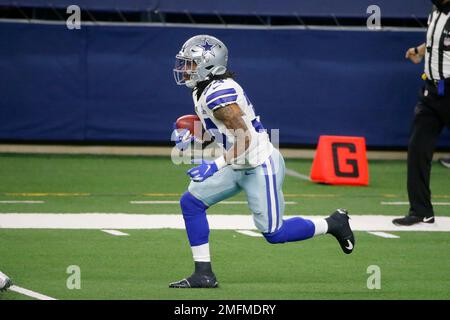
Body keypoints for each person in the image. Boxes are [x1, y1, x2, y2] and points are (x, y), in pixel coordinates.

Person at [169, 35, 355, 288]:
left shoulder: (218, 94)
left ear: (209, 65)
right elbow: (222, 134)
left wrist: (214, 165)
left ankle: (333, 223)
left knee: (275, 234)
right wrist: (195, 134)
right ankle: (204, 274)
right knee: (191, 203)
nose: (184, 69)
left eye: (190, 63)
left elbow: (246, 140)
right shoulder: (204, 89)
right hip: (236, 163)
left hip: (259, 165)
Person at [393, 0, 450, 226]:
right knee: (418, 149)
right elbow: (436, 41)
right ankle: (421, 211)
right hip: (431, 91)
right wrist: (419, 50)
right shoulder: (436, 11)